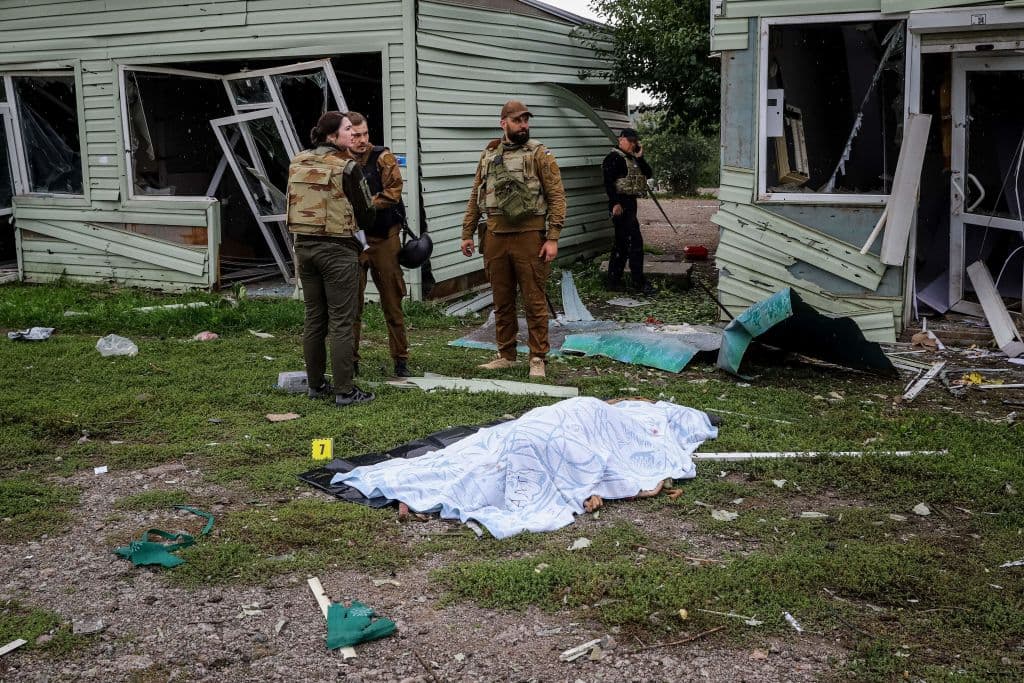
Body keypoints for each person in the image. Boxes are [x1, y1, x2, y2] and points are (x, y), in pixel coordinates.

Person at [460, 100, 566, 379]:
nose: (524, 126)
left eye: (526, 121)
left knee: (534, 299)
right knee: (501, 299)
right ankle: (505, 354)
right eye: (518, 121)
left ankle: (537, 357)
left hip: (529, 236)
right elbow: (476, 194)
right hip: (494, 235)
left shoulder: (539, 154)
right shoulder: (489, 153)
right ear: (503, 123)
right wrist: (467, 233)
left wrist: (552, 237)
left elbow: (557, 197)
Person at [286, 111, 377, 407]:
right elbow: (366, 211)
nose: (353, 134)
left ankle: (315, 384)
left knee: (314, 318)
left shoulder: (297, 161)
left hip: (304, 248)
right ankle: (345, 390)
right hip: (337, 249)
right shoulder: (347, 167)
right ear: (332, 137)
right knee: (341, 320)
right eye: (347, 130)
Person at [345, 112, 412, 378]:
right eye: (356, 136)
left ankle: (401, 359)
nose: (362, 141)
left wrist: (365, 204)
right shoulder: (339, 160)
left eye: (365, 134)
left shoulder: (382, 156)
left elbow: (394, 191)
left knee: (392, 302)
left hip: (384, 237)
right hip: (352, 241)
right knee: (351, 306)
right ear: (346, 136)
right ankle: (350, 362)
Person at [602, 127, 654, 294]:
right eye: (629, 141)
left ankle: (614, 282)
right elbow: (609, 183)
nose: (632, 144)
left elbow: (648, 173)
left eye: (634, 142)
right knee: (635, 244)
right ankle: (638, 282)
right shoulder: (613, 158)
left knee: (622, 245)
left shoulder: (632, 159)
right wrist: (615, 203)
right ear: (621, 139)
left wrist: (641, 157)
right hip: (621, 206)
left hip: (630, 204)